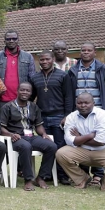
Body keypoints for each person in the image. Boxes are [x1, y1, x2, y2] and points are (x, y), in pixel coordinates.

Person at [67, 42, 105, 187]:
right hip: (80, 112)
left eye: (89, 50)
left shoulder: (103, 68)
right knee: (81, 139)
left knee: (99, 141)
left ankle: (98, 174)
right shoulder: (73, 70)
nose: (86, 52)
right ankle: (84, 173)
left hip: (98, 111)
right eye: (83, 50)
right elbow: (70, 92)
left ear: (95, 52)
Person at [0, 82, 58, 191]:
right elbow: (0, 128)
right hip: (16, 138)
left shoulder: (34, 106)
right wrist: (11, 134)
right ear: (17, 91)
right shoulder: (7, 107)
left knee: (52, 146)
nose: (25, 92)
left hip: (31, 136)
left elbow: (39, 125)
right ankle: (28, 180)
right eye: (22, 90)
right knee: (25, 146)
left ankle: (41, 177)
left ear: (31, 93)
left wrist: (44, 134)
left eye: (27, 90)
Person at [56, 93, 105, 192]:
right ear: (76, 104)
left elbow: (100, 141)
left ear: (93, 103)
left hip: (103, 150)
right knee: (61, 154)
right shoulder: (71, 117)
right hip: (82, 150)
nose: (83, 105)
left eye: (86, 103)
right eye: (80, 103)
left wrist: (79, 138)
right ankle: (82, 179)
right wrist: (89, 136)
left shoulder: (103, 115)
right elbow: (69, 140)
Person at [30, 50, 74, 184]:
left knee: (60, 147)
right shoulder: (34, 77)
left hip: (59, 116)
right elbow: (31, 99)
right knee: (47, 147)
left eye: (47, 59)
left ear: (53, 59)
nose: (44, 62)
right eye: (41, 60)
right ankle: (47, 174)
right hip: (42, 118)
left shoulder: (63, 76)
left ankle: (62, 175)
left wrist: (67, 115)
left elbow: (69, 97)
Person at [0, 30, 36, 110]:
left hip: (22, 101)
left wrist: (30, 98)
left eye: (14, 39)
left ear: (18, 40)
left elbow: (32, 78)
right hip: (2, 101)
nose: (11, 41)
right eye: (8, 39)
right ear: (4, 41)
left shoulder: (28, 57)